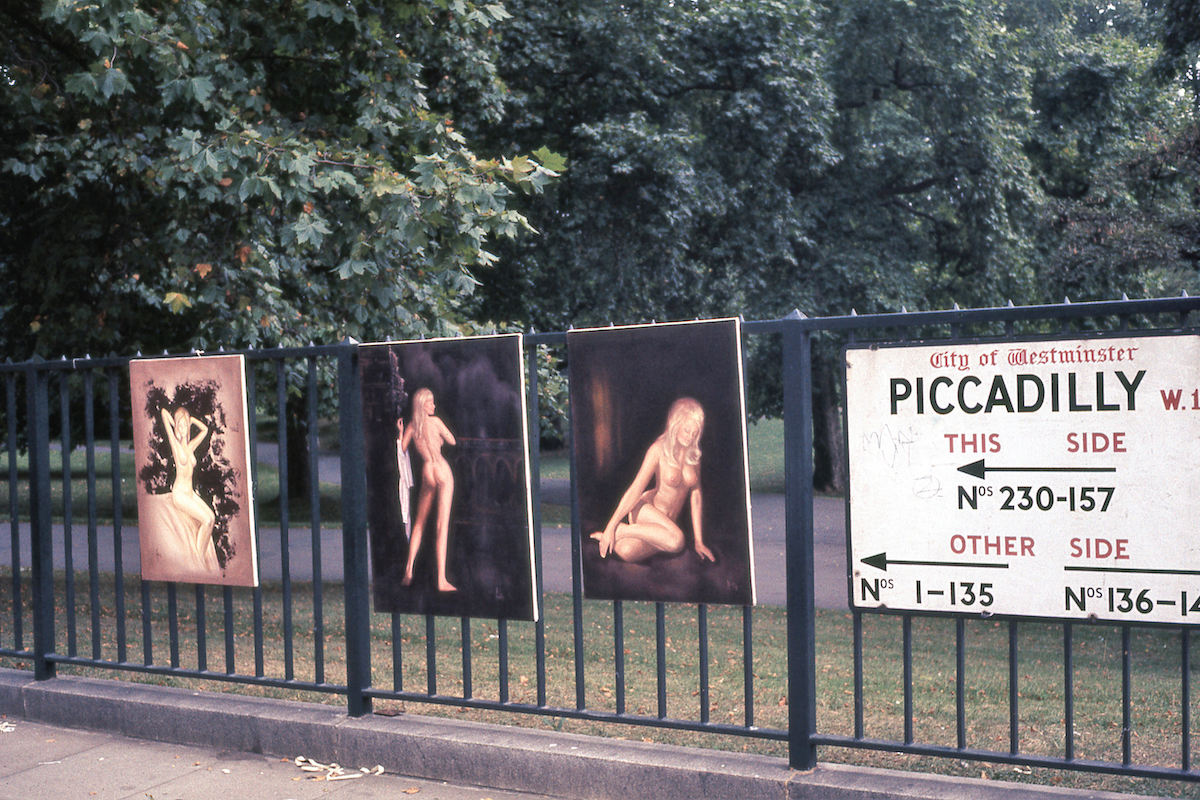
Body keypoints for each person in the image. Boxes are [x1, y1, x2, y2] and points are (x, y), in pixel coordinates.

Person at [592, 397, 715, 563]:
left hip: (665, 524)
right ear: (675, 424)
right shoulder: (658, 450)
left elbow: (696, 496)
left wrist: (699, 541)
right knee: (677, 541)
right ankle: (620, 530)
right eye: (686, 431)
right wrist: (612, 525)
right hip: (645, 510)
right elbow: (636, 488)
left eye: (694, 434)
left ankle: (628, 534)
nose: (690, 437)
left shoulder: (693, 455)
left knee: (626, 551)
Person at [399, 388, 458, 591]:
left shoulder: (412, 426)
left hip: (427, 470)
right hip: (441, 468)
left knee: (419, 523)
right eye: (430, 402)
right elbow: (452, 440)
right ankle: (441, 580)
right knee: (442, 526)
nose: (433, 405)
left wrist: (400, 433)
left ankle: (408, 568)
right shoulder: (436, 422)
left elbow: (402, 448)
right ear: (422, 405)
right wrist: (440, 440)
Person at [160, 406, 219, 573]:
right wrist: (176, 421)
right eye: (180, 425)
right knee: (206, 521)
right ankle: (198, 560)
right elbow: (164, 413)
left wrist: (190, 419)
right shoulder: (176, 445)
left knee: (211, 518)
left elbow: (205, 430)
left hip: (190, 493)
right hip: (179, 494)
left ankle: (199, 557)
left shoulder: (190, 446)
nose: (182, 428)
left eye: (185, 425)